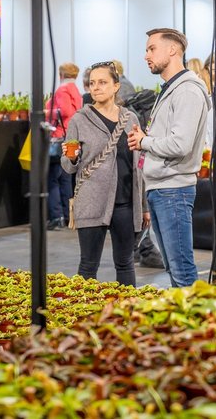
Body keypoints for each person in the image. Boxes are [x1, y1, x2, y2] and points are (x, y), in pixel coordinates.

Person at [127, 28, 210, 287]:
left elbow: (180, 143)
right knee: (174, 268)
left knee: (182, 269)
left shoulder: (186, 91)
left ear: (172, 50)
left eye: (152, 49)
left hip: (173, 189)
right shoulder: (173, 89)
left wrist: (145, 141)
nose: (146, 56)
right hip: (162, 188)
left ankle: (193, 325)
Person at [61, 62, 149, 285]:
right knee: (88, 265)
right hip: (91, 201)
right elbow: (68, 165)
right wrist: (71, 157)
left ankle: (127, 314)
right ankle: (84, 315)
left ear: (116, 86)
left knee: (126, 263)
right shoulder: (79, 120)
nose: (96, 87)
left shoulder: (131, 119)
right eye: (92, 83)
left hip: (126, 203)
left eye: (102, 82)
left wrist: (144, 205)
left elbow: (139, 165)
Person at [46, 63, 83, 230]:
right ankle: (68, 215)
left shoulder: (62, 90)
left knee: (53, 178)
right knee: (66, 178)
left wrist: (45, 112)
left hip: (60, 138)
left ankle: (56, 216)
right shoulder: (75, 89)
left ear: (61, 74)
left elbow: (64, 111)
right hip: (72, 138)